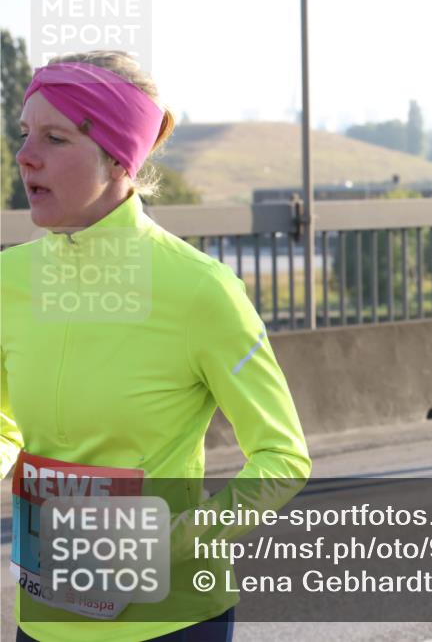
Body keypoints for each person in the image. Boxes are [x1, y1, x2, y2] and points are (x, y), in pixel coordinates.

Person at [1, 51, 312, 641]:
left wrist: (175, 542)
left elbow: (283, 456)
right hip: (44, 621)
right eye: (24, 134)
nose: (24, 156)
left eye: (54, 137)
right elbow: (4, 421)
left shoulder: (201, 290)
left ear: (119, 157)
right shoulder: (9, 280)